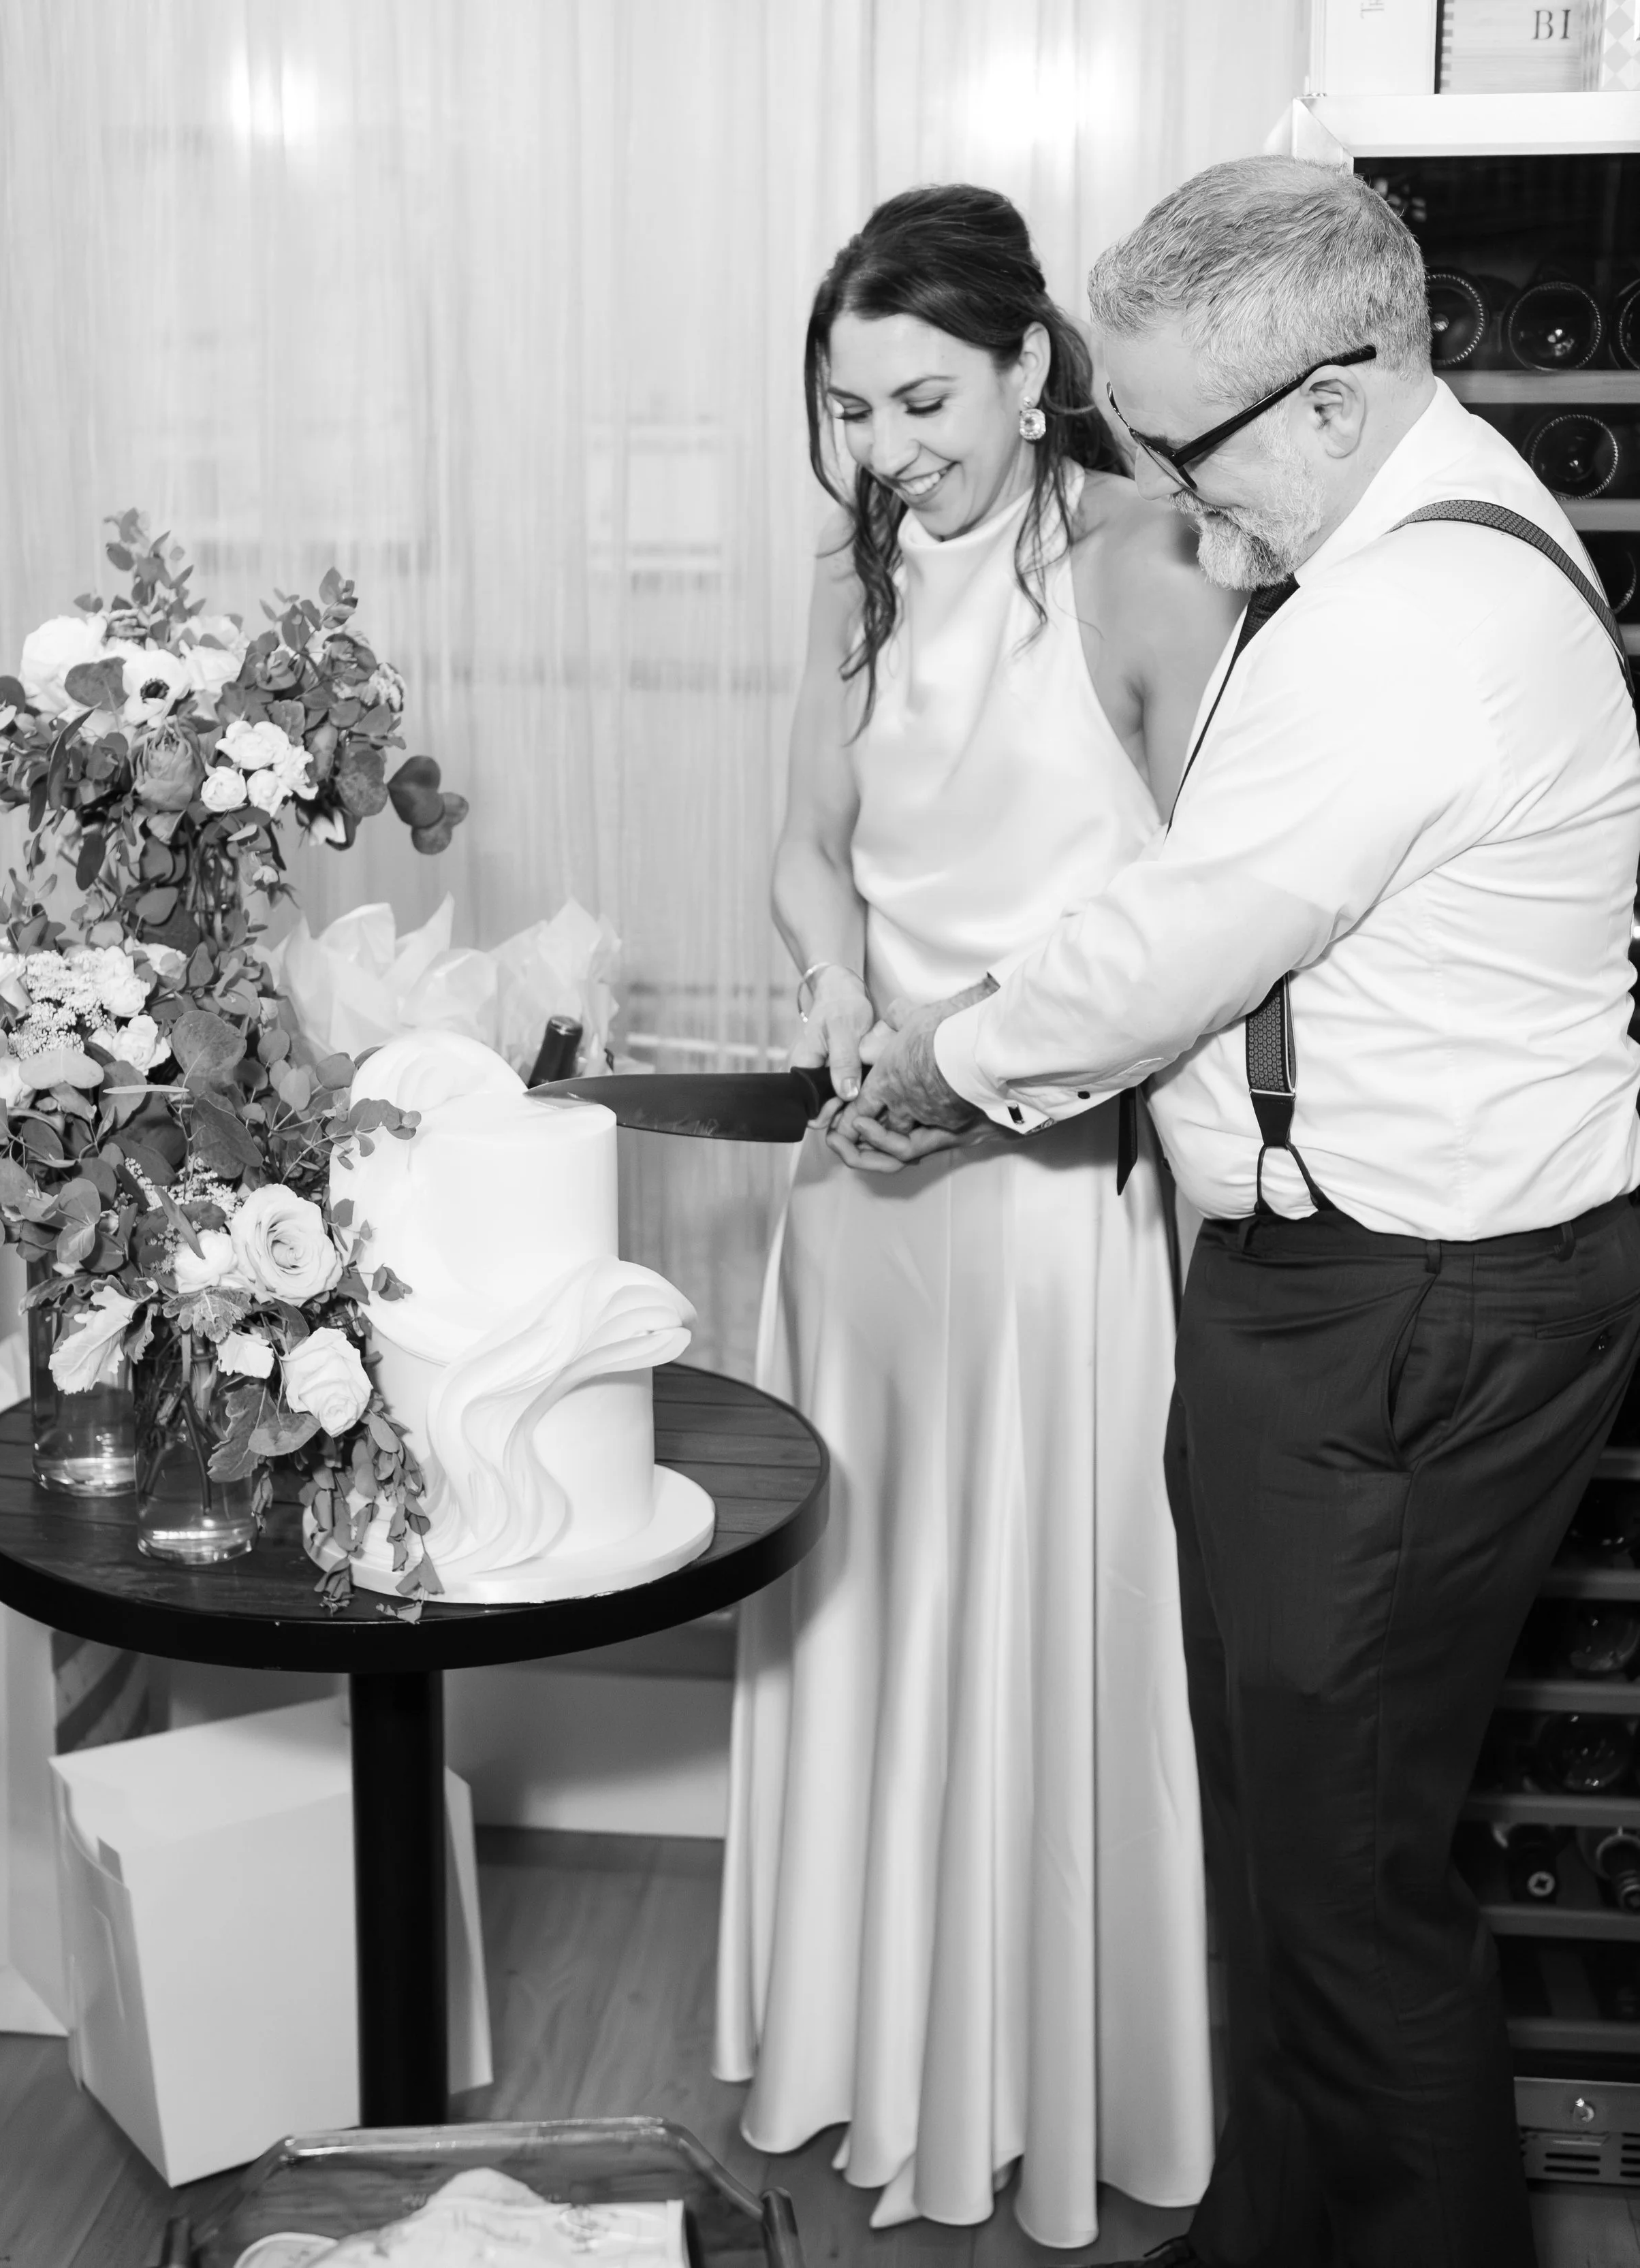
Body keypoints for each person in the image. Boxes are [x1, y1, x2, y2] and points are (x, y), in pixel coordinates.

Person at [849, 157, 1640, 2268]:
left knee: (1353, 1891)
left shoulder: (1400, 630)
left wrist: (939, 1063)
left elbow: (1166, 954)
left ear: (1334, 389)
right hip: (1401, 1282)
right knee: (1300, 1851)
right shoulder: (1438, 540)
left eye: (1185, 444)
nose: (1178, 502)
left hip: (1400, 1308)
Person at [712, 184, 1240, 2249]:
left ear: (1033, 370)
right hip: (860, 1205)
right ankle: (857, 2054)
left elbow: (1205, 925)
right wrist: (844, 1003)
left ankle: (1030, 2086)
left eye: (919, 398)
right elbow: (803, 847)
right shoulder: (857, 584)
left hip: (1036, 1206)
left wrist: (979, 1070)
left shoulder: (1147, 573)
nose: (881, 451)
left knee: (1030, 1631)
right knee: (852, 1618)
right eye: (845, 410)